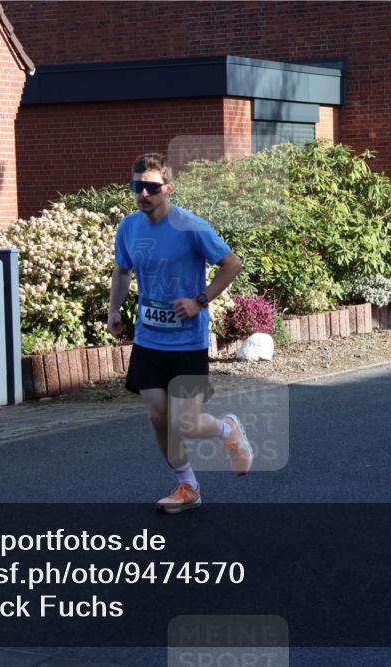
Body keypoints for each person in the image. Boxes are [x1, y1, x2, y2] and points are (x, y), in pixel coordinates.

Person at [108, 153, 252, 514]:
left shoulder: (191, 226)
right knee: (157, 416)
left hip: (187, 341)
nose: (144, 194)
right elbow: (122, 271)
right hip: (148, 340)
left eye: (152, 187)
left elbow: (232, 264)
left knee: (185, 421)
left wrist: (200, 300)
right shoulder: (128, 227)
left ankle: (228, 430)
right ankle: (188, 486)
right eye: (137, 186)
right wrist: (114, 311)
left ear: (168, 188)